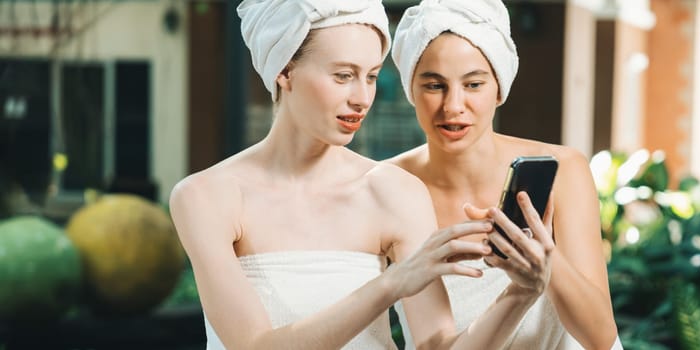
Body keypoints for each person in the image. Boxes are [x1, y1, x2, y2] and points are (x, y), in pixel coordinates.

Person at [168, 1, 551, 349]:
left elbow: (439, 347)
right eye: (343, 76)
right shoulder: (207, 197)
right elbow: (253, 346)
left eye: (370, 76)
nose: (362, 98)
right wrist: (389, 285)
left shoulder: (393, 191)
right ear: (285, 70)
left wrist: (520, 293)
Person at [387, 0, 622, 349]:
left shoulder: (564, 169)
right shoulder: (387, 187)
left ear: (499, 88)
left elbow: (601, 337)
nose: (453, 106)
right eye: (434, 85)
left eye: (473, 84)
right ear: (411, 90)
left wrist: (544, 256)